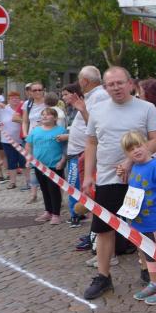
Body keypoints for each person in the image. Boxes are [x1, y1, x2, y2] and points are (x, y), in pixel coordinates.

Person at [82, 66, 156, 300]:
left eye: (120, 83)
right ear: (105, 87)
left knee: (142, 226)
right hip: (107, 179)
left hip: (139, 178)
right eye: (111, 84)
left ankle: (149, 271)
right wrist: (88, 175)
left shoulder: (146, 108)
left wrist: (130, 161)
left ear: (130, 84)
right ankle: (103, 276)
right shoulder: (96, 110)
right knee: (103, 228)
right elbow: (91, 143)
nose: (116, 87)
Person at [120, 130, 156, 305]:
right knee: (148, 252)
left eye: (138, 146)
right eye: (131, 149)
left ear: (146, 145)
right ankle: (155, 283)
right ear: (127, 154)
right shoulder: (134, 167)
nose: (136, 151)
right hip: (140, 221)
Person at [70, 66, 111, 246]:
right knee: (91, 194)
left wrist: (82, 110)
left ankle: (96, 235)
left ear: (84, 81)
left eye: (80, 79)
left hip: (93, 154)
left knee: (95, 195)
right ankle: (95, 234)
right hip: (86, 153)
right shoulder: (92, 96)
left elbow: (97, 126)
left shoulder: (99, 96)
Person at [25, 107, 67, 224]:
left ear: (55, 118)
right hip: (38, 165)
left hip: (54, 165)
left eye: (48, 114)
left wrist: (62, 161)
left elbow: (65, 148)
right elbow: (28, 145)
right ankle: (48, 212)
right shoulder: (35, 130)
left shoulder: (61, 130)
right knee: (44, 189)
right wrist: (28, 159)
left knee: (54, 190)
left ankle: (56, 214)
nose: (44, 116)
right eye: (43, 114)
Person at [59, 83, 85, 227]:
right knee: (75, 184)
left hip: (79, 153)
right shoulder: (69, 110)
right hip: (72, 152)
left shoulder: (82, 108)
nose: (63, 97)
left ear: (75, 94)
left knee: (73, 184)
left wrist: (66, 136)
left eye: (66, 94)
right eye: (62, 95)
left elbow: (88, 130)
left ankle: (75, 215)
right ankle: (79, 212)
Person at [20, 81, 46, 204]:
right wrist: (25, 134)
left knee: (50, 166)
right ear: (30, 92)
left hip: (46, 138)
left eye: (39, 89)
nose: (37, 92)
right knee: (32, 166)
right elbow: (25, 121)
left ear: (43, 90)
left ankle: (56, 196)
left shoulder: (48, 102)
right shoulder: (28, 104)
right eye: (34, 90)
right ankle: (33, 194)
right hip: (32, 139)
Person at [0, 92, 27, 189]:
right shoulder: (3, 109)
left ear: (20, 99)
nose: (15, 100)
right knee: (11, 161)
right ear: (8, 100)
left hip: (22, 140)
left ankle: (28, 182)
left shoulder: (23, 108)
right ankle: (12, 182)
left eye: (17, 98)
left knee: (24, 161)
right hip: (7, 141)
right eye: (12, 98)